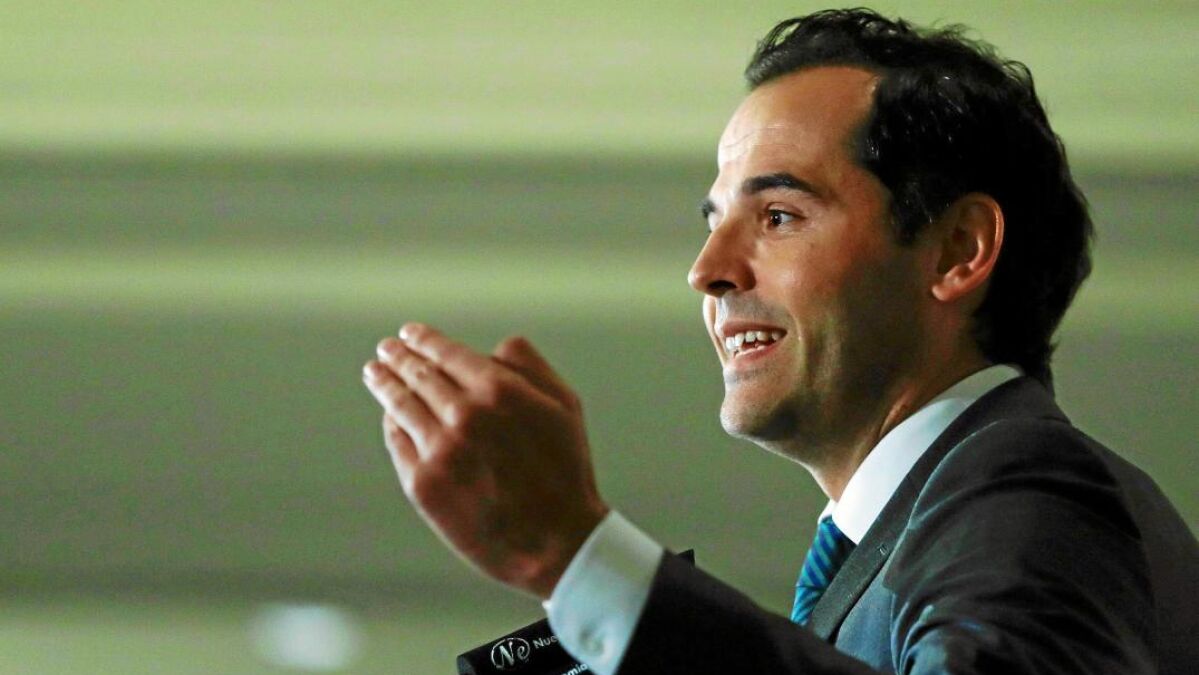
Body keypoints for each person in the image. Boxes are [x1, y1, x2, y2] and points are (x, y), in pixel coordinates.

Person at [362, 9, 1198, 674]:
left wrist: (576, 553)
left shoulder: (1028, 490)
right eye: (713, 221)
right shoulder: (921, 532)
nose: (707, 270)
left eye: (778, 215)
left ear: (956, 251)